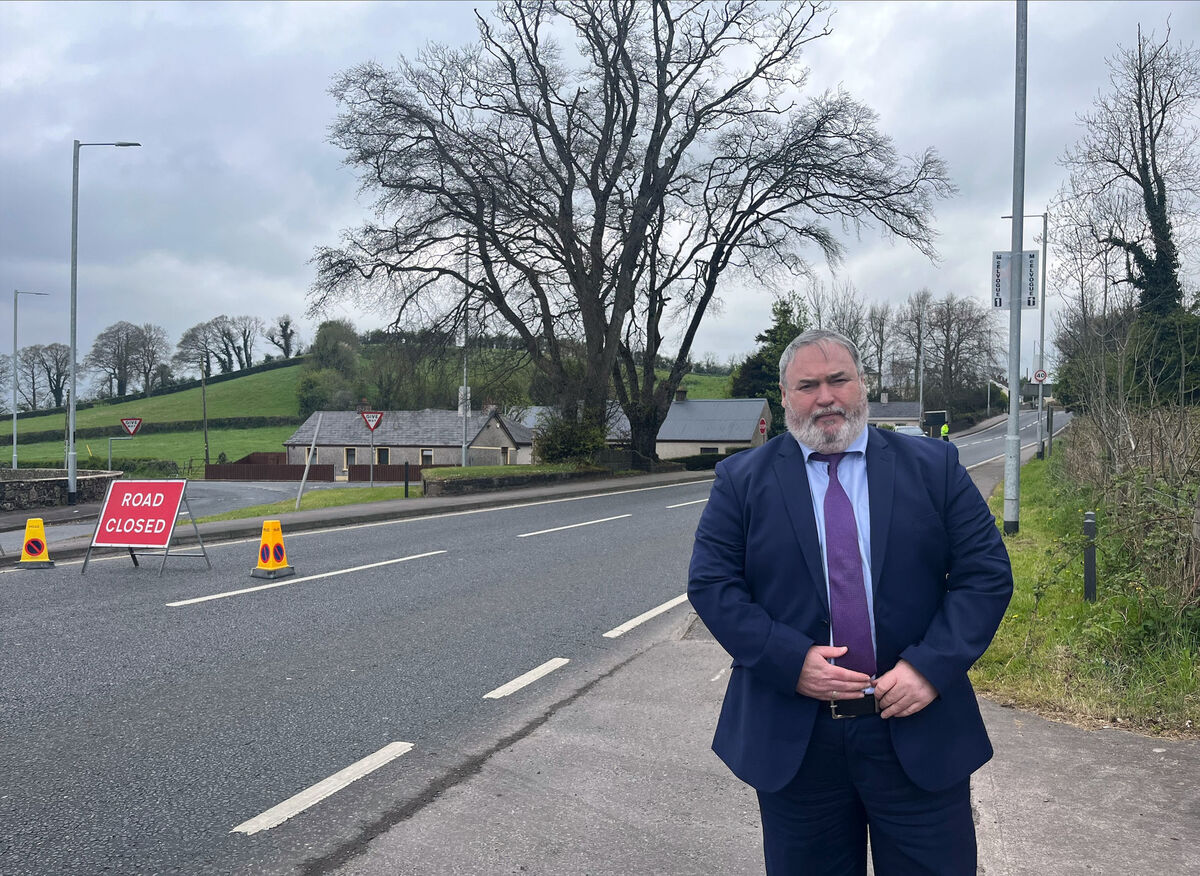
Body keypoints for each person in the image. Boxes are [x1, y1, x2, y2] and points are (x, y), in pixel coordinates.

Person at [688, 329, 1012, 876]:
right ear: (785, 396)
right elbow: (712, 585)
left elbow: (985, 575)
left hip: (917, 726)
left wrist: (929, 668)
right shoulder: (741, 482)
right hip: (797, 739)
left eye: (838, 380)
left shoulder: (934, 467)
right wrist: (790, 662)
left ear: (863, 384)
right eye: (807, 386)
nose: (825, 397)